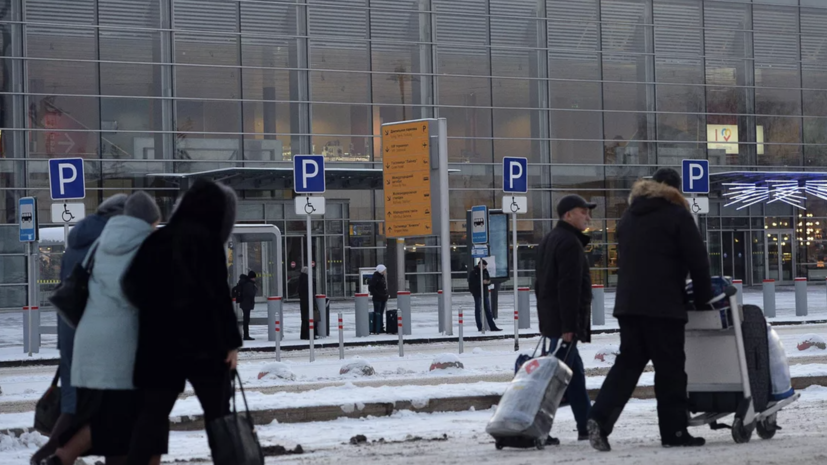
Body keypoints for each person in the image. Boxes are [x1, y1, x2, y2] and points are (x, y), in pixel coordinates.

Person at [588, 168, 714, 452]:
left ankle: (599, 417)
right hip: (664, 306)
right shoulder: (677, 215)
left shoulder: (629, 217)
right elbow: (698, 261)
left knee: (628, 365)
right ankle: (674, 432)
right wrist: (704, 299)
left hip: (629, 306)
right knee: (670, 371)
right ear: (675, 190)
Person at [121, 179, 242, 465]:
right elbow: (218, 297)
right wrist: (231, 345)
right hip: (205, 346)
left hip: (160, 345)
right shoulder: (207, 242)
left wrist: (155, 310)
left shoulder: (157, 240)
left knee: (151, 417)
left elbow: (130, 284)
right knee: (218, 419)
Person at [42, 192, 161, 465]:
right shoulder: (137, 244)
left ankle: (60, 455)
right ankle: (60, 454)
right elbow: (138, 296)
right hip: (122, 344)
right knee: (143, 416)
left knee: (111, 414)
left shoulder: (95, 243)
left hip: (83, 336)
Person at [31, 194, 127, 465]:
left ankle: (50, 455)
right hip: (100, 338)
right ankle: (54, 456)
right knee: (114, 411)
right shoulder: (113, 241)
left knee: (76, 406)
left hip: (72, 332)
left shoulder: (77, 242)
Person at [535, 194, 596, 445]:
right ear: (567, 215)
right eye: (583, 212)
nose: (588, 217)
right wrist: (569, 326)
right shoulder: (569, 243)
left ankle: (587, 425)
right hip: (564, 324)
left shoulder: (550, 239)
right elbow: (568, 287)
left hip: (553, 321)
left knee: (574, 373)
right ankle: (536, 428)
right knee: (552, 381)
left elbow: (541, 285)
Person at [468, 260, 501, 332]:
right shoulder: (474, 272)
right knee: (478, 309)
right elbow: (472, 283)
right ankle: (479, 327)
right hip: (477, 293)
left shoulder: (485, 271)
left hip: (485, 292)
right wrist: (481, 282)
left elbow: (489, 280)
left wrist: (487, 282)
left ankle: (492, 326)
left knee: (488, 310)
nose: (484, 267)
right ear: (479, 265)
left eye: (485, 266)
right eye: (483, 265)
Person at [368, 264, 389, 333]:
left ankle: (380, 327)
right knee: (378, 313)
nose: (385, 271)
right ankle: (377, 327)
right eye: (384, 270)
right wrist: (380, 295)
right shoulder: (376, 277)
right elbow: (372, 288)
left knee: (381, 313)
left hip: (382, 298)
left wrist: (385, 295)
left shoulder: (381, 277)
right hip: (378, 298)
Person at [238, 271, 258, 341]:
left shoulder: (246, 283)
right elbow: (251, 294)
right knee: (246, 320)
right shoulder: (249, 284)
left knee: (246, 319)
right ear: (252, 277)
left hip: (244, 303)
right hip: (246, 304)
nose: (255, 279)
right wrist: (255, 288)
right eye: (254, 278)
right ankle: (246, 335)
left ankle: (246, 335)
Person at [299, 266, 312, 340]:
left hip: (303, 302)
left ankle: (303, 335)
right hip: (307, 301)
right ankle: (307, 334)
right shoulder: (306, 279)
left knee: (304, 318)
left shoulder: (301, 278)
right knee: (307, 318)